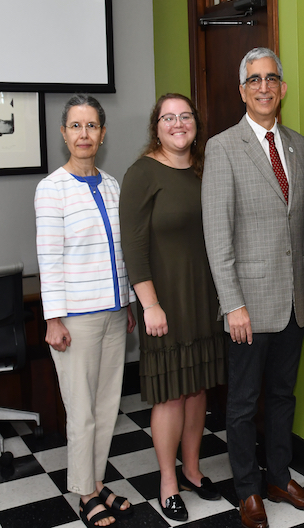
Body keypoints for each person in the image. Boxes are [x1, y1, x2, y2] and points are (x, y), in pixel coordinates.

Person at [202, 47, 304, 528]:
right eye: (254, 80)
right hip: (248, 305)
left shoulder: (298, 144)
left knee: (282, 397)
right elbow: (217, 234)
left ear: (283, 88)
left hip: (293, 301)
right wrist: (232, 303)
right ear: (242, 90)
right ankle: (248, 491)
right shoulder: (223, 147)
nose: (264, 86)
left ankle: (278, 476)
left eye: (272, 78)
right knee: (244, 401)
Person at [119, 94, 227, 522]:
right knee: (170, 394)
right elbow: (134, 247)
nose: (178, 124)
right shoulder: (142, 173)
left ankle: (194, 470)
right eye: (169, 118)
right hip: (164, 300)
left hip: (203, 296)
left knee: (197, 387)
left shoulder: (204, 170)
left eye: (185, 117)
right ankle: (167, 481)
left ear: (195, 124)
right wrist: (150, 305)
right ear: (156, 126)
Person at [34, 95, 136, 527]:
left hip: (114, 311)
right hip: (76, 317)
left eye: (91, 126)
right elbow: (49, 257)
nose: (83, 135)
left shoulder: (112, 185)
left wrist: (128, 300)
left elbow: (123, 250)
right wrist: (53, 318)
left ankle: (94, 481)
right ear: (63, 133)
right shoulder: (51, 188)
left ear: (102, 132)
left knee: (107, 405)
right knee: (81, 409)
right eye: (75, 126)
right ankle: (84, 493)